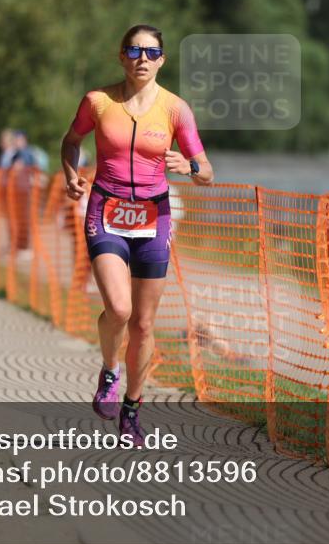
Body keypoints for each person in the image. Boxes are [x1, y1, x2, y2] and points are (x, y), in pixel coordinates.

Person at [61, 24, 214, 445]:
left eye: (150, 52)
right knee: (120, 309)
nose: (142, 58)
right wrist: (71, 174)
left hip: (153, 217)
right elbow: (71, 140)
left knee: (145, 325)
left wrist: (191, 168)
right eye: (133, 50)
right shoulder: (98, 101)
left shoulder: (176, 110)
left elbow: (208, 172)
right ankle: (109, 372)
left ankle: (132, 406)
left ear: (162, 59)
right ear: (121, 57)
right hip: (106, 210)